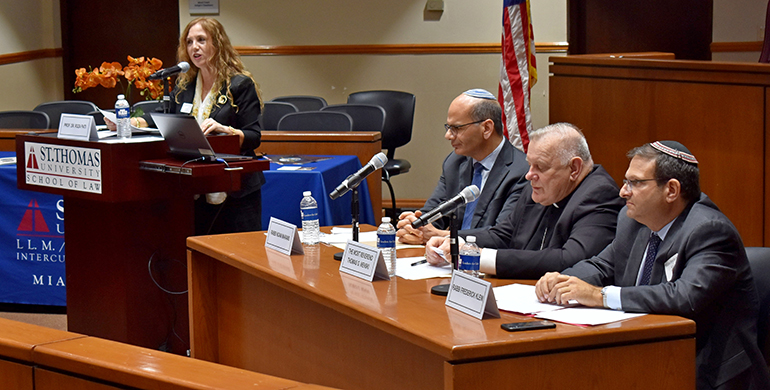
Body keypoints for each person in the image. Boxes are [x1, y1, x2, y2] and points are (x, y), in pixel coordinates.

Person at [535, 141, 770, 390]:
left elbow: (685, 297)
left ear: (671, 190)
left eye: (635, 183)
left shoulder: (709, 230)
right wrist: (560, 280)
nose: (622, 192)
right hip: (646, 355)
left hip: (705, 371)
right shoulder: (632, 223)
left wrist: (600, 296)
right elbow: (601, 266)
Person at [425, 122, 624, 279]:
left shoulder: (600, 194)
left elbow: (569, 259)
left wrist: (481, 258)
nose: (529, 175)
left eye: (541, 167)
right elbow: (504, 234)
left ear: (574, 169)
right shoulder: (539, 186)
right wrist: (456, 242)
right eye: (530, 165)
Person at [396, 89, 529, 245]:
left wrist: (443, 236)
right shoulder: (455, 162)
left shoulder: (521, 171)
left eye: (457, 128)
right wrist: (415, 226)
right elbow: (433, 214)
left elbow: (501, 235)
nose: (448, 136)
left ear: (486, 128)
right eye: (448, 128)